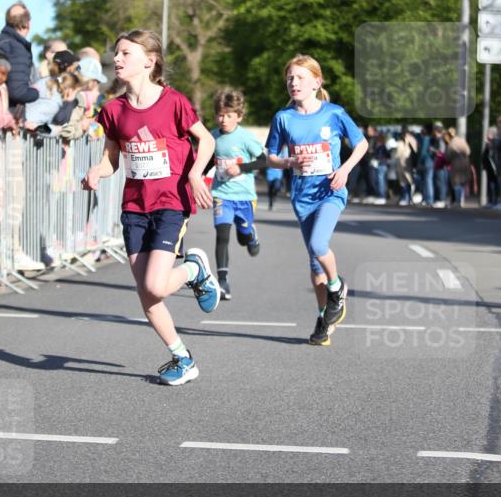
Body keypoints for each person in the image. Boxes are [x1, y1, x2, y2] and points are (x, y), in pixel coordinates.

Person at [83, 29, 219, 386]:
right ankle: (182, 357)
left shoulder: (173, 102)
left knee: (156, 285)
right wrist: (98, 171)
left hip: (171, 202)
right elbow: (112, 157)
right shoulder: (113, 110)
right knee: (146, 293)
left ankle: (194, 269)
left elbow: (205, 140)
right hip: (134, 207)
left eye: (126, 52)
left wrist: (194, 174)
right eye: (117, 53)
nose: (118, 59)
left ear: (150, 59)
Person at [266, 54, 368, 346]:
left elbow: (361, 144)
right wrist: (289, 163)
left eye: (299, 77)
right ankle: (325, 318)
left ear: (316, 82)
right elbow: (270, 157)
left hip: (330, 192)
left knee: (318, 245)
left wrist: (345, 170)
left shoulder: (334, 113)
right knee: (314, 264)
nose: (293, 82)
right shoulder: (283, 118)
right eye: (289, 78)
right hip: (302, 196)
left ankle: (337, 288)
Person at [208, 88, 265, 301]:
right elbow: (206, 162)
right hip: (222, 194)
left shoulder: (245, 138)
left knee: (242, 238)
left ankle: (250, 234)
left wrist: (241, 168)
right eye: (220, 115)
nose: (224, 120)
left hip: (245, 196)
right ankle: (222, 282)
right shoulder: (212, 137)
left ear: (239, 116)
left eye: (229, 115)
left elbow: (263, 161)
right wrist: (194, 180)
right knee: (222, 235)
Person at [0, 3, 39, 113]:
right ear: (27, 23)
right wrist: (37, 93)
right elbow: (17, 92)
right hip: (7, 116)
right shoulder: (17, 48)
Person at [445, 127, 471, 207]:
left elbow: (448, 157)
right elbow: (468, 151)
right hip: (465, 163)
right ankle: (461, 201)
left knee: (456, 183)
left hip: (456, 164)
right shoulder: (462, 140)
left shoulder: (451, 143)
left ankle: (458, 201)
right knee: (463, 182)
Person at [396, 126, 418, 206]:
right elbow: (398, 154)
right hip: (400, 164)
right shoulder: (400, 141)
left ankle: (408, 198)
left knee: (409, 181)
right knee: (402, 182)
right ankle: (404, 198)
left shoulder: (411, 140)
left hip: (408, 164)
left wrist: (407, 142)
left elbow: (414, 152)